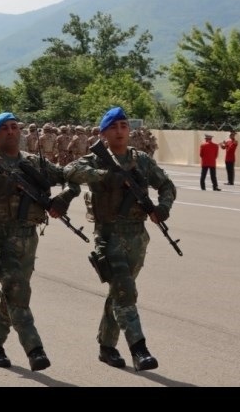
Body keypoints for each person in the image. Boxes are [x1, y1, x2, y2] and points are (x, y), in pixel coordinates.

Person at [0, 112, 79, 372]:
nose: (11, 131)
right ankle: (35, 349)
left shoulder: (33, 163)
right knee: (18, 292)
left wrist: (64, 198)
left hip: (28, 238)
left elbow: (71, 177)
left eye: (14, 127)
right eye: (5, 128)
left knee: (13, 295)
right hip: (0, 237)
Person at [64, 106, 176, 372]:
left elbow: (166, 185)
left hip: (137, 235)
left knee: (118, 292)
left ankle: (106, 346)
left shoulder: (141, 160)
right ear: (103, 133)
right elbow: (70, 171)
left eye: (124, 126)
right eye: (113, 127)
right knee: (125, 291)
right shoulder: (96, 159)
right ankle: (139, 349)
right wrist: (106, 175)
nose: (120, 131)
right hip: (109, 234)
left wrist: (163, 207)